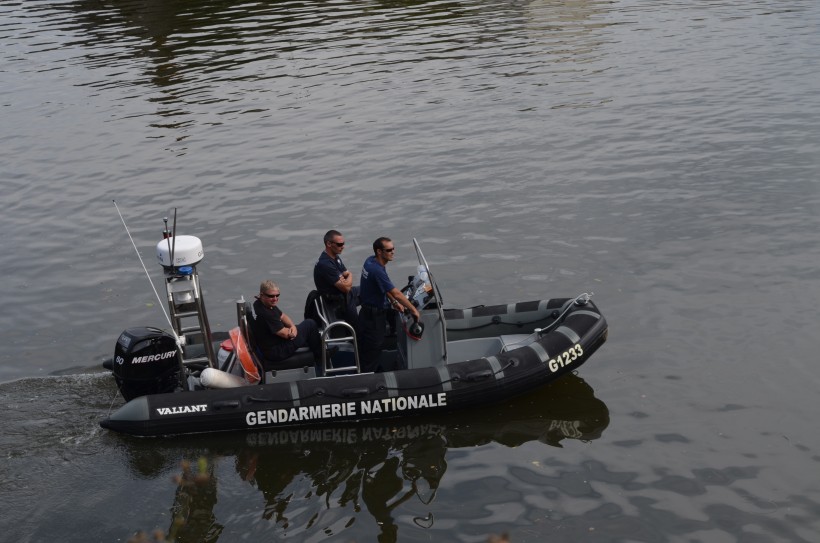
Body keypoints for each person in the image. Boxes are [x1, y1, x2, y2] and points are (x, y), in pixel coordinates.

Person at [358, 237, 420, 372]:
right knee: (373, 349)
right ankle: (369, 380)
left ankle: (375, 370)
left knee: (371, 350)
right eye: (389, 250)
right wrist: (413, 309)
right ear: (379, 251)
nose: (393, 252)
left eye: (393, 248)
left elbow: (383, 288)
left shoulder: (370, 261)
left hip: (366, 313)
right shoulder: (377, 271)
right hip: (374, 317)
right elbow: (396, 292)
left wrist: (393, 302)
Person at [251, 280, 323, 373]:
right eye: (271, 296)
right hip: (276, 352)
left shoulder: (261, 304)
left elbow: (283, 316)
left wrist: (292, 326)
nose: (275, 298)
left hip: (271, 342)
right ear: (262, 295)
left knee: (305, 331)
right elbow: (287, 335)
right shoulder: (266, 314)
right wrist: (293, 331)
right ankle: (321, 359)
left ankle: (318, 352)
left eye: (277, 295)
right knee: (310, 324)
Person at [313, 229, 359, 327]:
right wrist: (349, 276)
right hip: (337, 300)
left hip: (344, 293)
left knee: (370, 288)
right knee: (357, 327)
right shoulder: (325, 264)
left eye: (343, 243)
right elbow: (346, 288)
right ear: (329, 244)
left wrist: (347, 277)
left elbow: (346, 274)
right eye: (339, 244)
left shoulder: (335, 256)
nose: (343, 247)